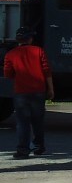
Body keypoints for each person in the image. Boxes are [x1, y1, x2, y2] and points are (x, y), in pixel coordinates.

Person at [3, 27, 54, 159]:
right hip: (38, 90)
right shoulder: (39, 51)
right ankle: (39, 147)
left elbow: (8, 74)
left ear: (17, 39)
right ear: (30, 38)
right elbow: (47, 71)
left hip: (21, 92)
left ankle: (23, 151)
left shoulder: (10, 54)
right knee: (38, 121)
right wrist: (51, 89)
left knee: (22, 122)